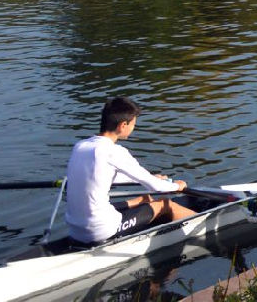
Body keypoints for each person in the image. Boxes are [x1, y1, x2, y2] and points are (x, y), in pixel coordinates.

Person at [64, 97, 196, 245]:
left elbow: (102, 177)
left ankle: (144, 205)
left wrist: (150, 177)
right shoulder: (114, 151)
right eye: (133, 124)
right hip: (100, 231)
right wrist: (177, 186)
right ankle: (202, 223)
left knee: (143, 199)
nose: (134, 128)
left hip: (75, 229)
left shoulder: (80, 146)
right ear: (123, 125)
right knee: (165, 204)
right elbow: (156, 187)